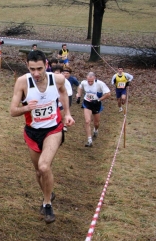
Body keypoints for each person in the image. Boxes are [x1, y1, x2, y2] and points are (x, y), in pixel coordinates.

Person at [10, 50, 75, 224]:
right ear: (27, 66)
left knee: (44, 166)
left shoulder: (58, 79)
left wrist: (67, 113)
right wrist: (26, 108)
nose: (36, 73)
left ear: (46, 65)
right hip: (32, 132)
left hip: (53, 129)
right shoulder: (22, 82)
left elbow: (62, 92)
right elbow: (12, 111)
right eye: (32, 69)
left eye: (39, 68)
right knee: (38, 171)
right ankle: (48, 193)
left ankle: (47, 204)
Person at [76, 72, 111, 147]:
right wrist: (78, 95)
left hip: (96, 104)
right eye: (89, 81)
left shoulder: (100, 84)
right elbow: (80, 87)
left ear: (94, 78)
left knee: (96, 123)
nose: (90, 82)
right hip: (87, 103)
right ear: (86, 78)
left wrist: (98, 100)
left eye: (91, 81)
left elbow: (108, 94)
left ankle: (95, 130)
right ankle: (89, 140)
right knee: (87, 121)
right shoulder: (84, 83)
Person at [52, 64, 73, 132]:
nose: (57, 75)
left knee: (61, 116)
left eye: (58, 73)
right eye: (55, 74)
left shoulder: (65, 81)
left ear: (61, 73)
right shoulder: (49, 81)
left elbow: (68, 93)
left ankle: (64, 126)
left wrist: (62, 99)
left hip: (60, 103)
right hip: (52, 103)